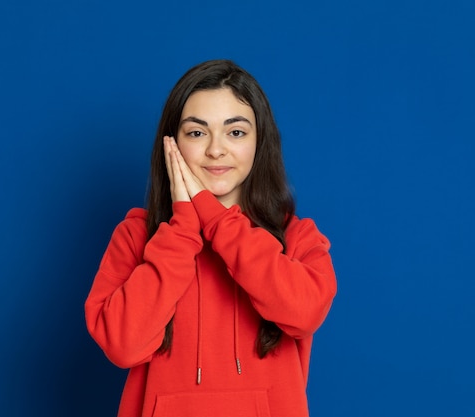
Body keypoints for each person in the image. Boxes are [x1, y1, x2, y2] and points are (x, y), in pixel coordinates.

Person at [85, 59, 337, 417]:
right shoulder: (135, 237)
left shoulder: (297, 237)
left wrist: (217, 221)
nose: (216, 150)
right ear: (171, 144)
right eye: (197, 132)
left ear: (258, 142)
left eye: (235, 132)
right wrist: (184, 228)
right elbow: (122, 345)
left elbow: (304, 313)